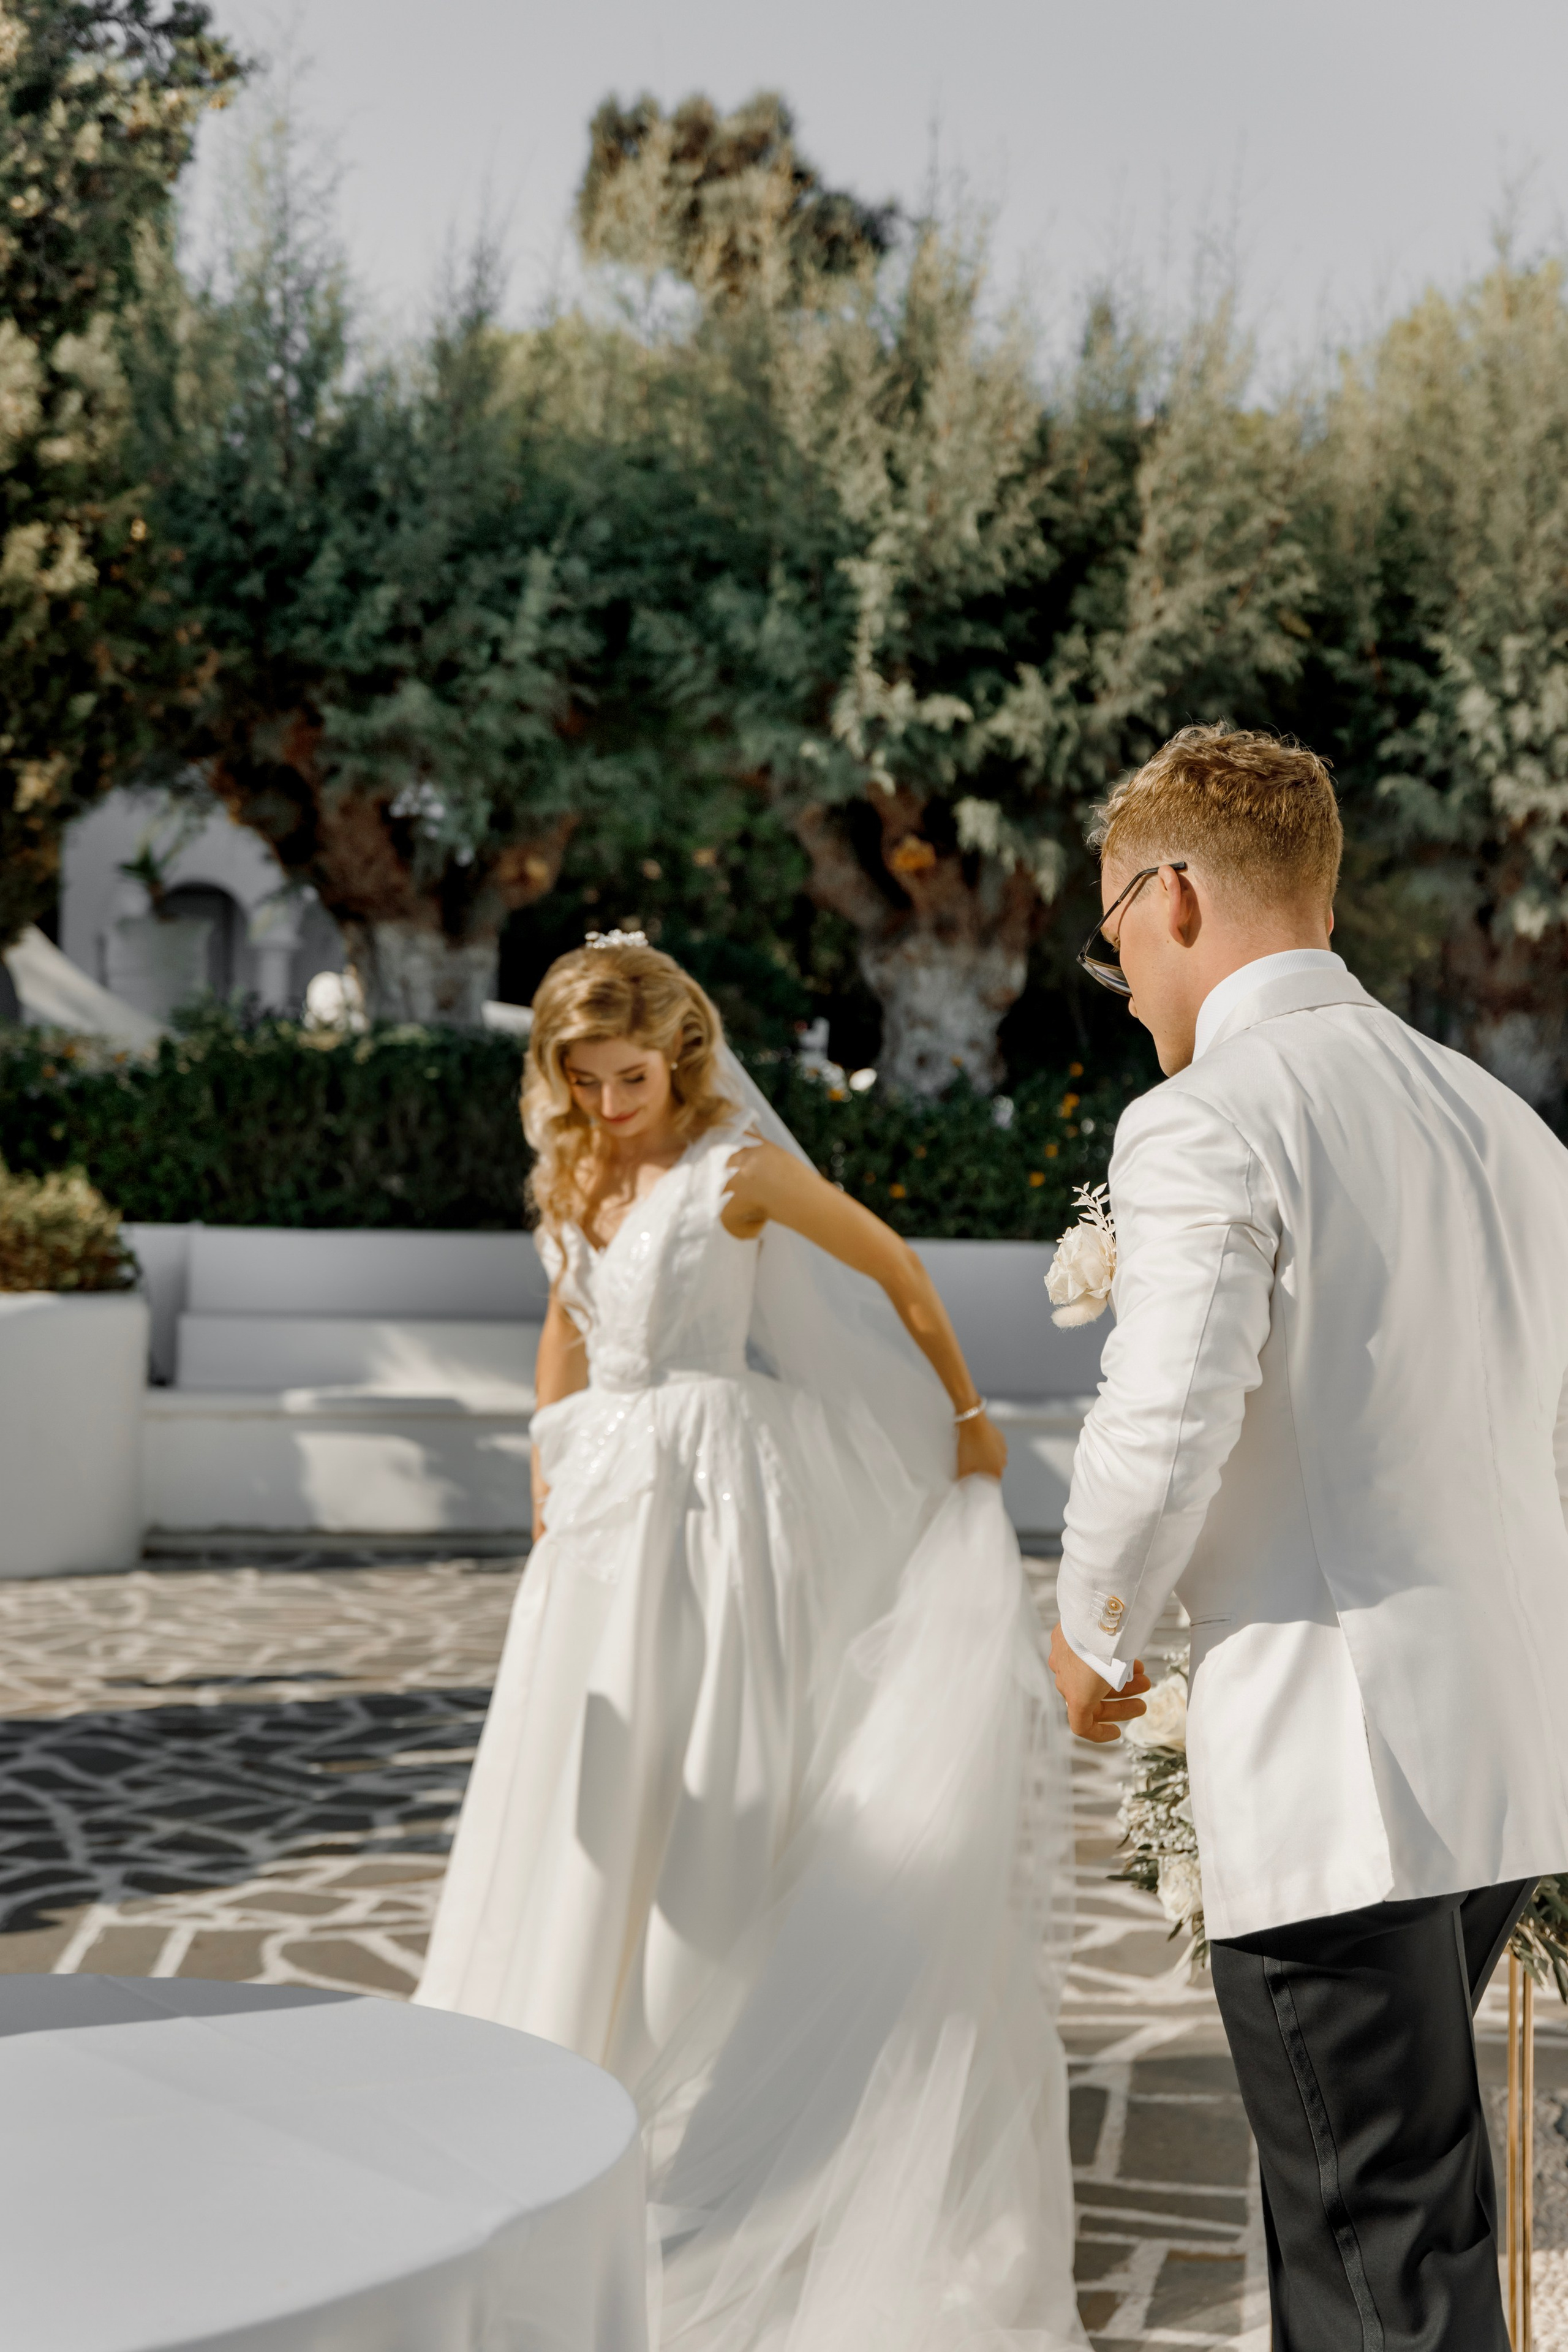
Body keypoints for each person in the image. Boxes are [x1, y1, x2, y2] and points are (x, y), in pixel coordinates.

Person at [418, 933, 1087, 2352]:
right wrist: (547, 1460)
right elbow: (566, 1319)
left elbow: (892, 1264)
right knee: (577, 1801)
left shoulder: (736, 1169)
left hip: (713, 1508)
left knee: (706, 1779)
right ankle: (557, 2073)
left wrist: (967, 1421)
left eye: (631, 1076)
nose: (610, 1105)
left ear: (682, 1054)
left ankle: (715, 2077)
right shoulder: (576, 1168)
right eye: (584, 1082)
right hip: (602, 1517)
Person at [1050, 723, 1568, 2351]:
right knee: (1383, 2233)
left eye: (1113, 918)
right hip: (1495, 1759)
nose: (1117, 968)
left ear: (1179, 894)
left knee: (1376, 2276)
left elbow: (1168, 1415)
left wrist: (1091, 1625)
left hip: (1337, 1766)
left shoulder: (1210, 1114)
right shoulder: (1500, 1120)